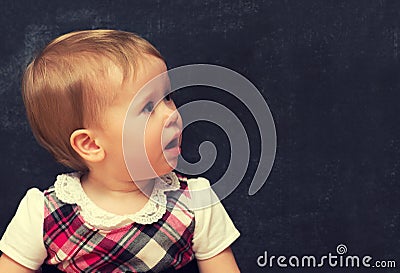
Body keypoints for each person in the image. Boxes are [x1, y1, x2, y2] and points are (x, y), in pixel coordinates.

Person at [0, 29, 240, 273]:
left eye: (167, 97)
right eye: (148, 107)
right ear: (91, 145)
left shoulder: (196, 202)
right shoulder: (44, 214)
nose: (172, 115)